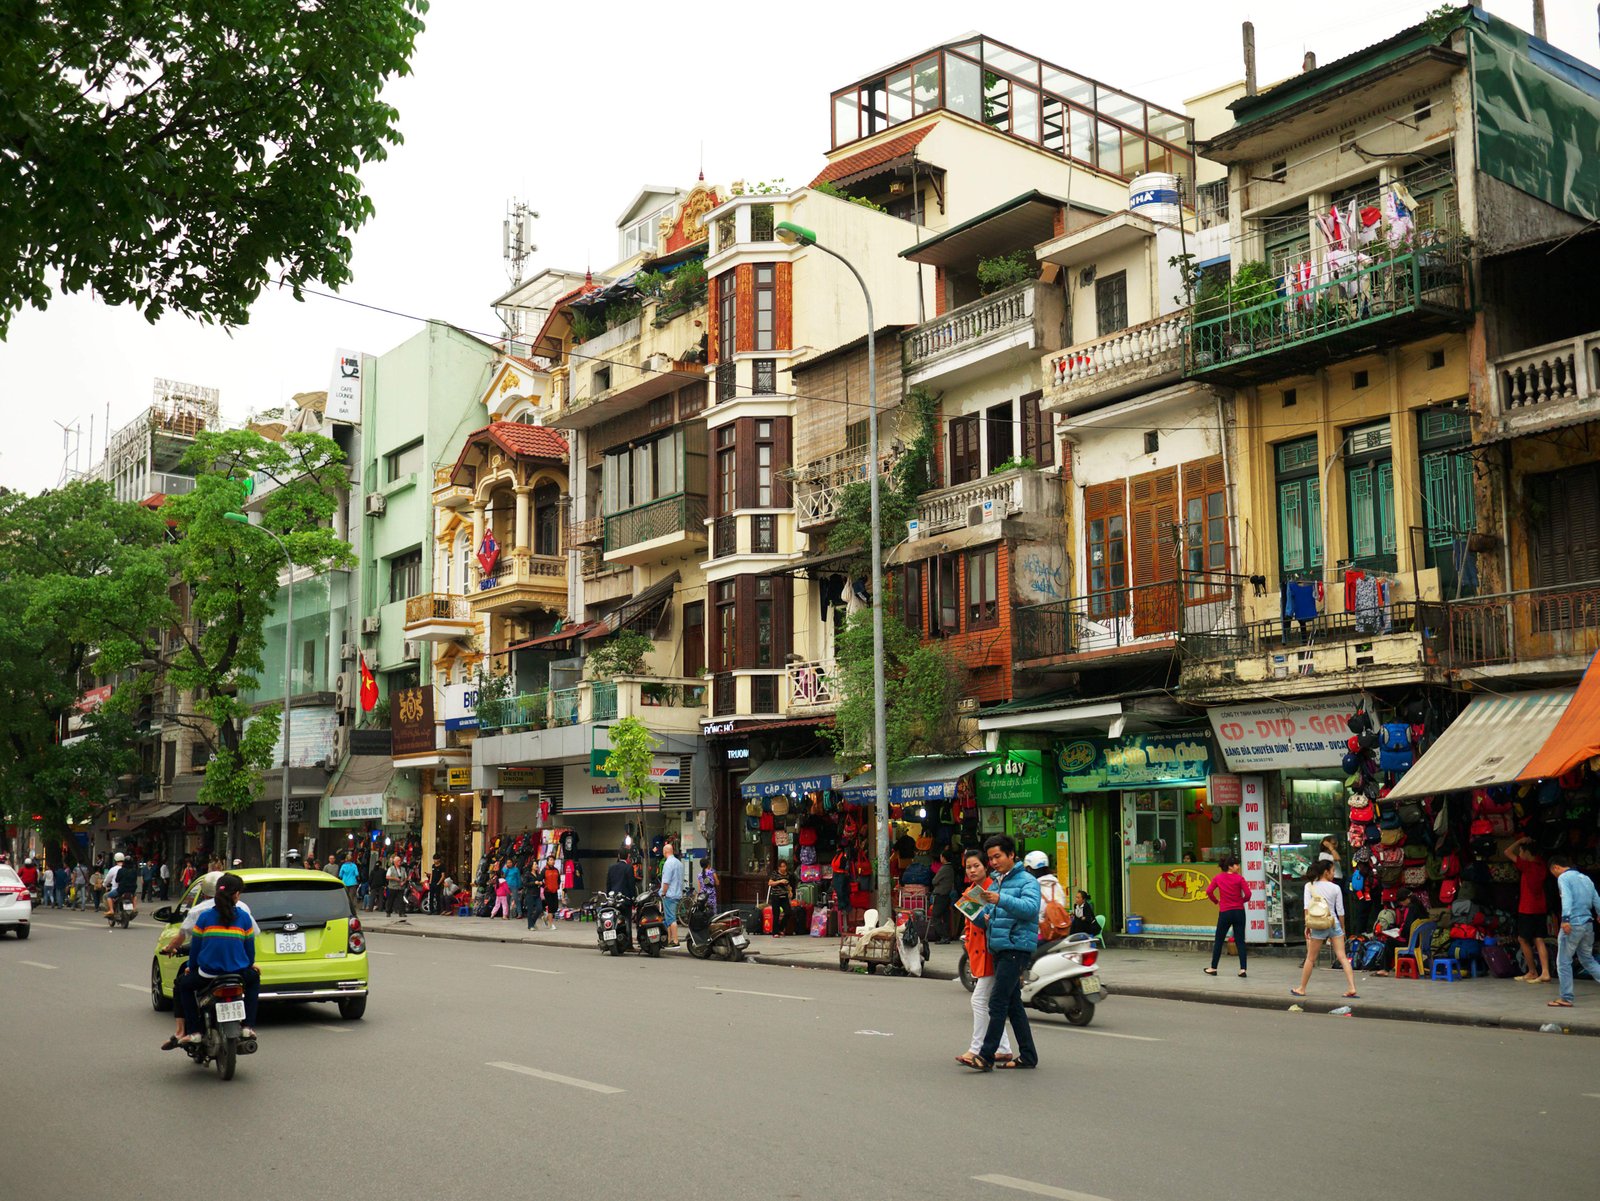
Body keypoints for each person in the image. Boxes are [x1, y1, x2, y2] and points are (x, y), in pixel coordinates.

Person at [965, 834, 1040, 1072]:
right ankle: (1028, 1055)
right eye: (991, 858)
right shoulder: (996, 880)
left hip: (1016, 947)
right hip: (999, 947)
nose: (994, 862)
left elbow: (1030, 909)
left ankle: (985, 1055)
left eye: (998, 856)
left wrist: (1000, 900)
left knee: (996, 1001)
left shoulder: (1028, 881)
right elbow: (987, 915)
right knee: (1012, 1004)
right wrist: (977, 914)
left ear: (1011, 855)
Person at [163, 872, 259, 1048]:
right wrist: (250, 964)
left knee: (184, 985)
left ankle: (194, 1032)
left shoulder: (204, 917)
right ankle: (247, 1026)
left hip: (208, 973)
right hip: (237, 973)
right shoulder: (244, 917)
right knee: (254, 979)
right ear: (236, 894)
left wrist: (191, 968)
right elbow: (249, 950)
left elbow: (196, 949)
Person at [955, 848, 1012, 1070]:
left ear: (984, 866)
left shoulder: (993, 889)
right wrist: (969, 944)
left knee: (979, 1001)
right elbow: (970, 928)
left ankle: (976, 1049)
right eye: (969, 867)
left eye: (976, 865)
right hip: (978, 953)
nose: (972, 870)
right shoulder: (970, 892)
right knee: (988, 1003)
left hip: (992, 952)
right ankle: (1004, 1048)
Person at [1291, 859, 1358, 999]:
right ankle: (1352, 987)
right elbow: (1340, 911)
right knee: (1342, 957)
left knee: (1310, 958)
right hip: (1333, 924)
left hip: (1317, 925)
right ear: (1326, 872)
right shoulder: (1335, 888)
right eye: (1333, 871)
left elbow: (1306, 909)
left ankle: (1302, 988)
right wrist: (1343, 928)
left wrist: (1307, 926)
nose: (1334, 873)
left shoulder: (1309, 886)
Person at [1548, 855, 1600, 1009]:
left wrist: (1565, 919)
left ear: (1556, 867)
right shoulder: (1585, 878)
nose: (1555, 875)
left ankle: (1566, 997)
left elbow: (1567, 898)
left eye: (1553, 872)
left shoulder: (1563, 878)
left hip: (1573, 924)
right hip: (1587, 924)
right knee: (1588, 959)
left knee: (1563, 961)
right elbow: (1596, 898)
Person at [1506, 836, 1552, 984]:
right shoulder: (1541, 865)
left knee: (1523, 939)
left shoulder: (1527, 865)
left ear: (1526, 853)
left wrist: (1519, 841)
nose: (1519, 854)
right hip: (1540, 908)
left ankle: (1532, 971)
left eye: (1521, 851)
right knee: (1539, 939)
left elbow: (1507, 852)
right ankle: (1545, 972)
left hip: (1527, 908)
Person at [1203, 853, 1252, 978]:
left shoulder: (1218, 878)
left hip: (1225, 912)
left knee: (1219, 940)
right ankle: (1242, 969)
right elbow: (1248, 894)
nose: (1238, 866)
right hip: (1239, 912)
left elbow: (1208, 891)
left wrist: (1216, 901)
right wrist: (1241, 901)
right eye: (1236, 864)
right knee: (1240, 940)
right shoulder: (1239, 879)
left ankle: (1213, 967)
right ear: (1230, 866)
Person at [659, 841, 685, 947]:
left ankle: (675, 940)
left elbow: (666, 881)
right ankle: (669, 940)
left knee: (671, 918)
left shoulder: (668, 863)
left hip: (670, 894)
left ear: (665, 852)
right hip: (677, 893)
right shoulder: (679, 863)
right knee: (669, 918)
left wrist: (663, 893)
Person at [928, 852, 956, 943]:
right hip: (947, 895)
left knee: (935, 917)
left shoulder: (944, 868)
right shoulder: (951, 868)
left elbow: (934, 881)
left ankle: (944, 936)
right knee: (946, 916)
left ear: (943, 858)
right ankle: (946, 936)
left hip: (940, 894)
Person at [767, 858, 795, 938]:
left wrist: (790, 891)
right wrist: (780, 881)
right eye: (781, 867)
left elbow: (789, 885)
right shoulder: (775, 874)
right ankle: (775, 932)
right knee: (776, 914)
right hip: (775, 896)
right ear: (779, 867)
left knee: (788, 912)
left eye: (784, 866)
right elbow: (770, 883)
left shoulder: (788, 875)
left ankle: (780, 928)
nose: (783, 868)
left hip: (784, 896)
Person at [541, 859, 561, 930]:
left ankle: (545, 918)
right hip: (547, 891)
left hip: (554, 890)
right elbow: (540, 879)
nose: (552, 861)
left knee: (555, 907)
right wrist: (544, 886)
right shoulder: (544, 870)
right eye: (551, 860)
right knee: (550, 908)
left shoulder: (556, 870)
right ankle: (551, 924)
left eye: (553, 860)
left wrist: (558, 886)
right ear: (548, 861)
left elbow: (558, 879)